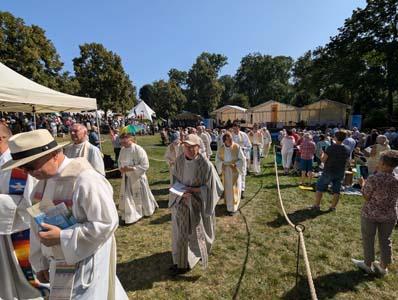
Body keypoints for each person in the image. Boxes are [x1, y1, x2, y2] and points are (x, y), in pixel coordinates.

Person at [2, 129, 128, 300]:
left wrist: (62, 236)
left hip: (86, 263)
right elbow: (36, 226)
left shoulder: (86, 179)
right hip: (57, 264)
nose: (27, 172)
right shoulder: (42, 184)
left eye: (31, 166)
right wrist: (40, 263)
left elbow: (106, 223)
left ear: (54, 154)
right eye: (22, 168)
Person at [0, 125, 46, 300]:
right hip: (4, 230)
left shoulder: (18, 164)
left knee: (26, 275)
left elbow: (31, 201)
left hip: (21, 229)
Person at [169, 134, 223, 275]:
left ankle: (194, 257)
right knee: (181, 232)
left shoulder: (206, 165)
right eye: (186, 146)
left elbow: (213, 188)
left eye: (192, 147)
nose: (188, 149)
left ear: (198, 147)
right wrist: (179, 192)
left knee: (197, 234)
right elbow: (174, 179)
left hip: (198, 204)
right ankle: (181, 261)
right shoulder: (179, 161)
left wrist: (194, 190)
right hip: (181, 202)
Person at [352, 150, 398, 275]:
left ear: (382, 163)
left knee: (368, 238)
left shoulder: (374, 178)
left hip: (371, 213)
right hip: (390, 215)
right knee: (386, 240)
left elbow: (366, 196)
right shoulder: (396, 179)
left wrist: (362, 184)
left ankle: (368, 264)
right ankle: (384, 267)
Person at [118, 133, 158, 224]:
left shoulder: (138, 149)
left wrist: (132, 168)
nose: (123, 143)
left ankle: (145, 210)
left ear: (130, 139)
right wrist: (122, 168)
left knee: (142, 195)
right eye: (122, 141)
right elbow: (119, 161)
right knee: (129, 196)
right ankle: (132, 213)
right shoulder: (122, 150)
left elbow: (145, 165)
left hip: (137, 177)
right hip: (127, 177)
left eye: (125, 141)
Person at [311, 130, 350, 211]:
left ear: (336, 137)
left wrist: (321, 153)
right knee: (337, 190)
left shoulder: (331, 147)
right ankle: (333, 207)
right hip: (340, 172)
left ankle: (316, 206)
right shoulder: (347, 149)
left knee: (319, 187)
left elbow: (323, 160)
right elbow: (347, 162)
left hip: (329, 171)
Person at [215, 132, 246, 215]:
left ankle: (233, 207)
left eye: (231, 139)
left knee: (235, 188)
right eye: (229, 139)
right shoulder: (221, 149)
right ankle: (229, 204)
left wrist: (236, 164)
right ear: (225, 141)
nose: (231, 140)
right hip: (226, 171)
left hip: (235, 170)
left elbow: (242, 159)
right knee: (228, 189)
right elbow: (217, 160)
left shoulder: (236, 147)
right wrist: (222, 164)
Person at [231, 123, 251, 198]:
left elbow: (249, 146)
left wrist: (243, 149)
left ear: (239, 128)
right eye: (234, 128)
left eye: (236, 128)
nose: (235, 130)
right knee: (234, 174)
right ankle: (234, 189)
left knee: (242, 173)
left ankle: (242, 190)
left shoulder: (244, 135)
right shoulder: (230, 136)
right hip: (233, 158)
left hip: (242, 157)